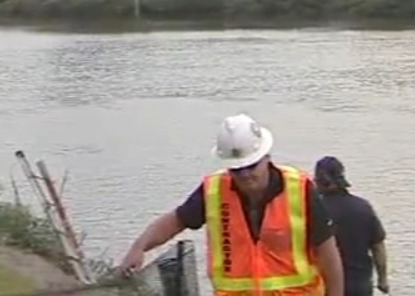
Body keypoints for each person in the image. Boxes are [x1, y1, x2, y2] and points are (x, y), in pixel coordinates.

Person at [117, 114, 344, 296]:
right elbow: (177, 220)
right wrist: (140, 246)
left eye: (251, 166)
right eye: (237, 169)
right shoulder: (214, 190)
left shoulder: (299, 189)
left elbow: (328, 254)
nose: (245, 175)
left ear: (266, 157)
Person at [314, 157, 389, 296]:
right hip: (360, 286)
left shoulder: (314, 210)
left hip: (326, 286)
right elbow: (378, 247)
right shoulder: (363, 207)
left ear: (318, 180)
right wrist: (382, 279)